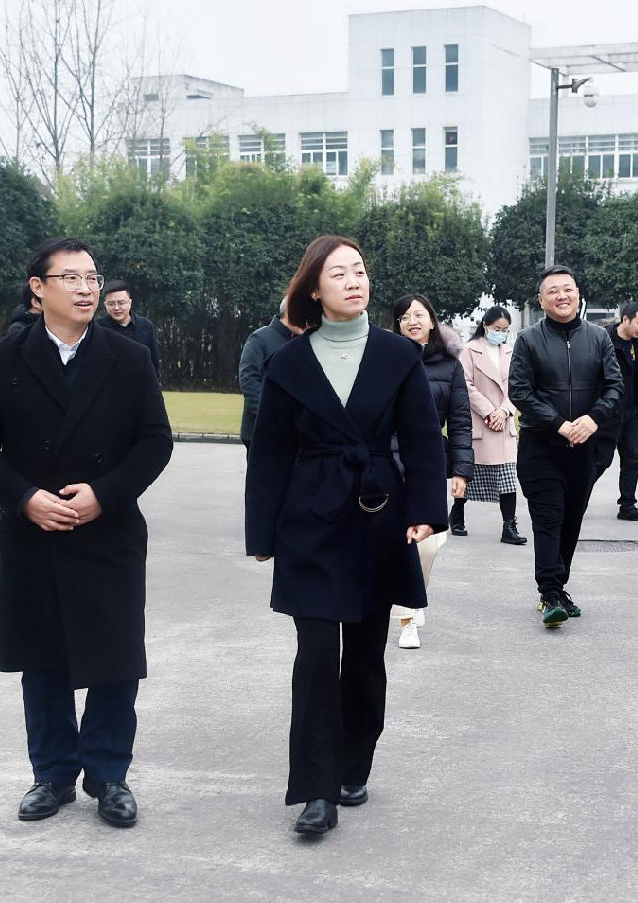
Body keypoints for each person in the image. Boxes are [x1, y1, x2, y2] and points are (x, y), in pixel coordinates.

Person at [0, 237, 173, 829]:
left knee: (114, 657)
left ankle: (109, 774)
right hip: (34, 535)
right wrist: (24, 499)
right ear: (39, 288)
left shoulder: (127, 358)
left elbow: (155, 441)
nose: (86, 289)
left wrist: (105, 493)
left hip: (109, 531)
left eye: (92, 278)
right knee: (43, 655)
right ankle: (51, 774)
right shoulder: (5, 358)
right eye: (72, 278)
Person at [245, 235, 447, 835]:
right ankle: (315, 789)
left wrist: (427, 511)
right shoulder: (287, 361)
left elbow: (420, 439)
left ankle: (354, 763)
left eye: (360, 271)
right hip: (309, 520)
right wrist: (262, 531)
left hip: (377, 512)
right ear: (315, 288)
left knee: (363, 657)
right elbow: (271, 453)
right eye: (340, 273)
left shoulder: (398, 355)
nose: (355, 281)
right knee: (313, 658)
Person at [509, 264, 623, 626]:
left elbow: (614, 386)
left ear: (578, 294)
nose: (562, 295)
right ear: (541, 299)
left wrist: (593, 418)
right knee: (548, 518)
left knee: (571, 519)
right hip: (541, 446)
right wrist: (559, 424)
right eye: (553, 290)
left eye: (568, 289)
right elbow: (520, 392)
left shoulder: (599, 338)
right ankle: (550, 592)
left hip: (585, 447)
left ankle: (559, 586)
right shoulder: (528, 339)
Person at [388, 292, 473, 649]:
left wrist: (461, 471)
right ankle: (407, 618)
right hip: (386, 463)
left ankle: (415, 591)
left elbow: (460, 420)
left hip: (429, 462)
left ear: (432, 321)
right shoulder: (383, 360)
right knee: (401, 541)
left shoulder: (450, 366)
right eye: (405, 316)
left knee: (431, 542)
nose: (412, 320)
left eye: (419, 314)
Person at [457, 306, 527, 546]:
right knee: (469, 474)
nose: (501, 334)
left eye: (505, 330)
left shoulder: (510, 351)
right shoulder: (469, 351)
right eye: (497, 329)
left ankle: (509, 526)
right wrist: (489, 411)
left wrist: (504, 410)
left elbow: (519, 385)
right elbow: (465, 385)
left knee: (508, 476)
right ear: (485, 326)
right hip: (481, 421)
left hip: (504, 422)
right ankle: (457, 515)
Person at [602, 302, 638, 521]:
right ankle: (575, 498)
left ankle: (627, 504)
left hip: (630, 411)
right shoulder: (604, 340)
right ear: (625, 319)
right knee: (600, 460)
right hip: (607, 411)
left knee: (632, 460)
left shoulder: (636, 344)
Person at [239, 299, 304, 448]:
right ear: (290, 311)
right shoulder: (260, 338)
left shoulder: (304, 343)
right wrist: (273, 413)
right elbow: (249, 379)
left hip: (295, 434)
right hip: (261, 431)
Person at [97, 279, 162, 381]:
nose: (116, 308)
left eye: (121, 303)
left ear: (130, 303)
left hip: (139, 388)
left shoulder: (146, 326)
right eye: (111, 304)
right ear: (105, 305)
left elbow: (154, 363)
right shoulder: (97, 328)